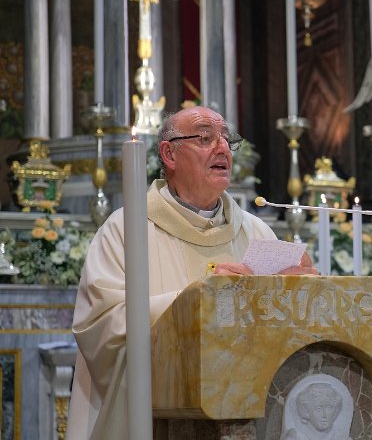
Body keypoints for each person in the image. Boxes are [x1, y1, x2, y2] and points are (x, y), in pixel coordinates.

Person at [66, 106, 317, 440]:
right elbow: (101, 326)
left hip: (246, 417)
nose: (223, 148)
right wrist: (201, 299)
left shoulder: (255, 232)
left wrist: (300, 293)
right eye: (205, 138)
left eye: (227, 140)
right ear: (169, 154)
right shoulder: (126, 230)